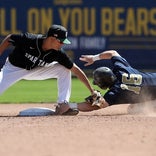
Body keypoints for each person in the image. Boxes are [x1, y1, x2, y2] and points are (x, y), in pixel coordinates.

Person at [0, 24, 95, 115]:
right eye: (61, 41)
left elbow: (76, 70)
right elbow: (9, 38)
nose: (62, 44)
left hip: (35, 70)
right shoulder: (30, 39)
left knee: (64, 69)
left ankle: (63, 105)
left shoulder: (58, 53)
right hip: (12, 70)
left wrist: (92, 91)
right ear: (52, 38)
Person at [57, 50, 156, 113]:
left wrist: (70, 105)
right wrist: (94, 58)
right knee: (134, 108)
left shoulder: (114, 93)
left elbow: (95, 106)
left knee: (133, 110)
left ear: (102, 84)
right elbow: (112, 53)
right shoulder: (121, 70)